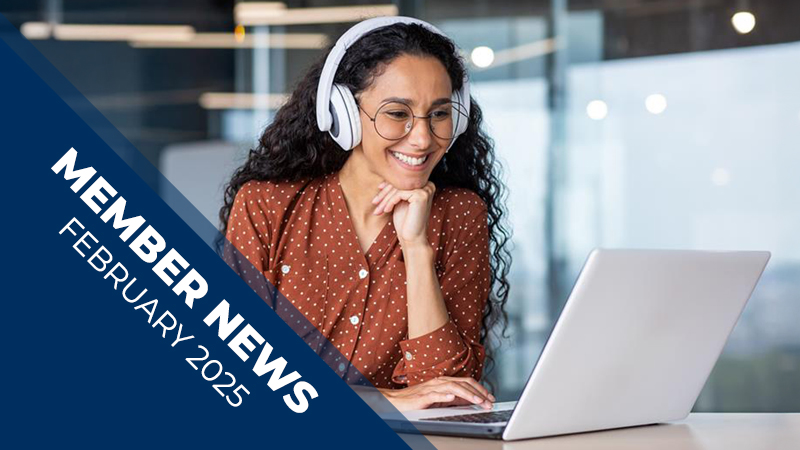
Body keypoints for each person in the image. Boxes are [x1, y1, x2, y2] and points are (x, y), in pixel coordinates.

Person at [219, 17, 511, 412]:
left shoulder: (459, 214)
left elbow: (448, 393)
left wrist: (416, 249)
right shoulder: (266, 206)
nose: (423, 138)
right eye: (397, 113)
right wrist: (386, 402)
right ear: (341, 114)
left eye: (439, 114)